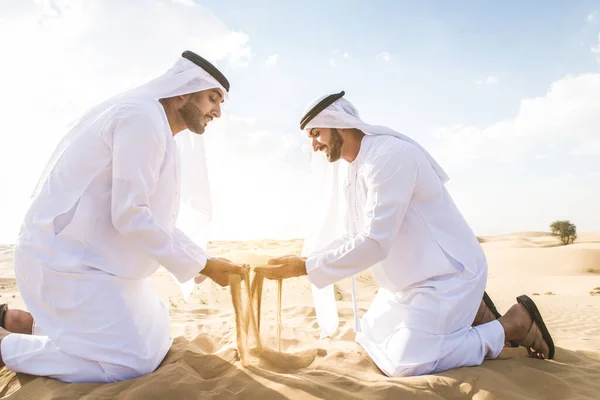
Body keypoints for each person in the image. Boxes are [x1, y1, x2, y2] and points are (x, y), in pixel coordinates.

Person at [256, 91, 554, 377]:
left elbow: (375, 242)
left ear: (338, 123)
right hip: (404, 287)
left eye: (315, 134)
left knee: (405, 363)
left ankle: (511, 325)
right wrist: (304, 260)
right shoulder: (352, 169)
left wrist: (303, 268)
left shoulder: (390, 157)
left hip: (446, 276)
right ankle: (471, 314)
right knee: (369, 339)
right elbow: (352, 236)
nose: (314, 146)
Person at [0, 51, 247, 383]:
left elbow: (155, 222)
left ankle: (20, 323)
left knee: (156, 335)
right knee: (130, 363)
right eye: (212, 98)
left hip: (96, 261)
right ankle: (6, 348)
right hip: (62, 260)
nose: (217, 111)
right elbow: (130, 215)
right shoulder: (142, 119)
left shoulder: (160, 129)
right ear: (184, 92)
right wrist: (203, 266)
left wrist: (205, 260)